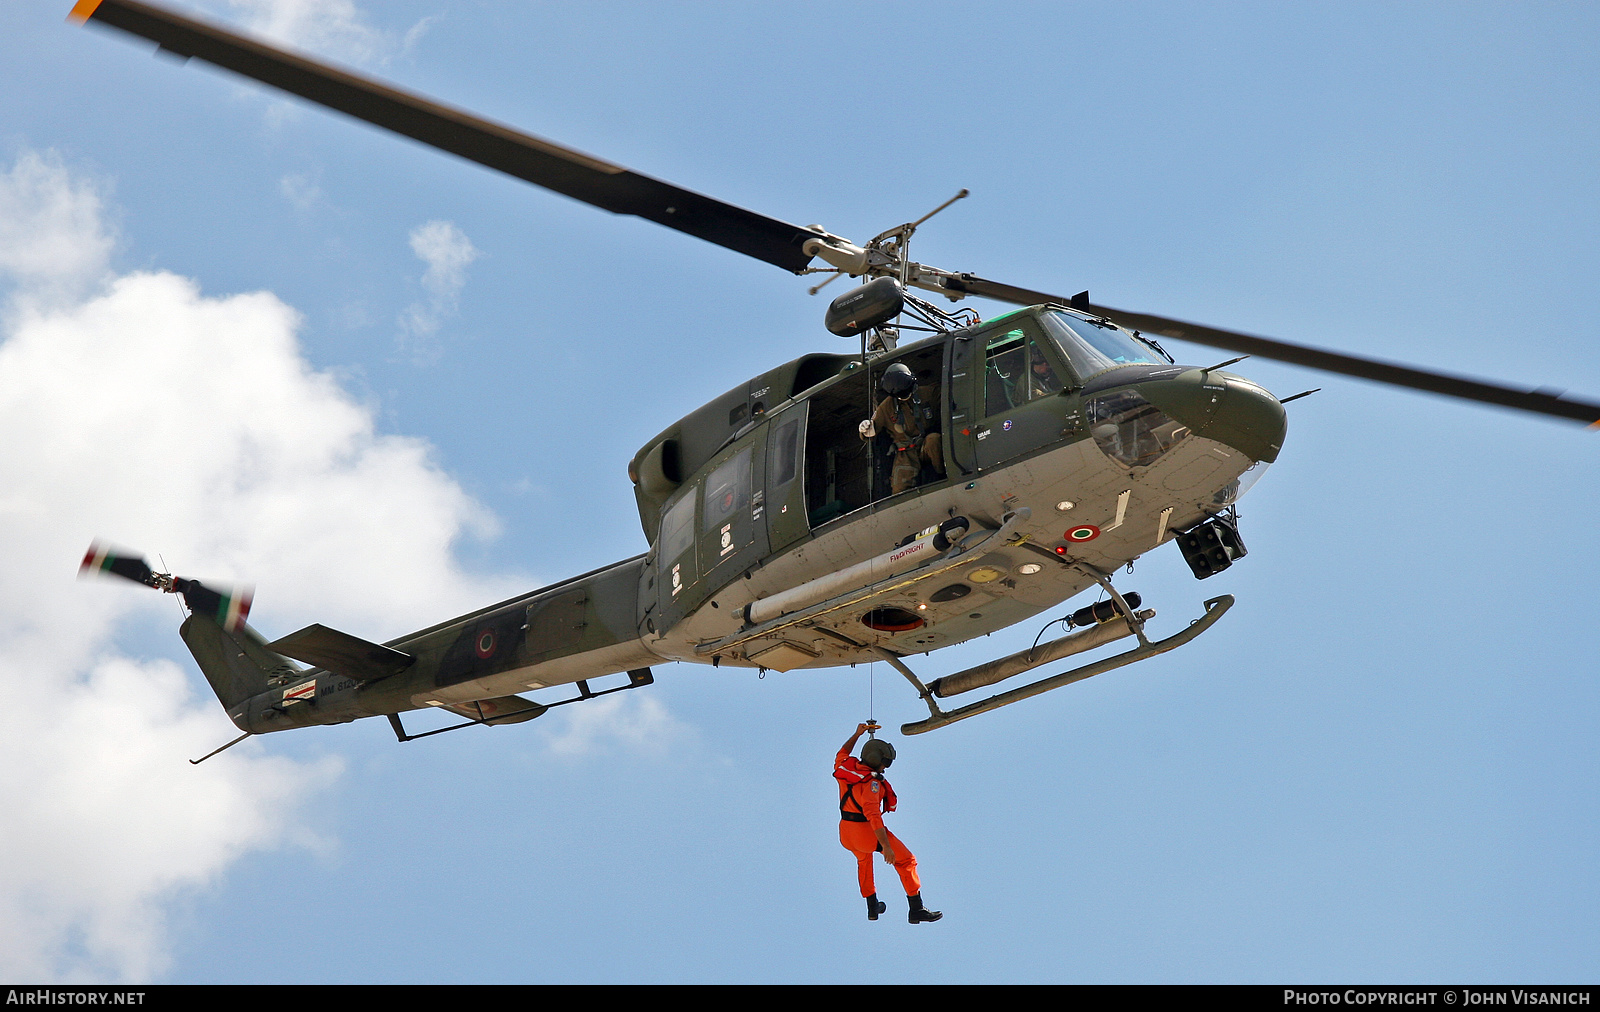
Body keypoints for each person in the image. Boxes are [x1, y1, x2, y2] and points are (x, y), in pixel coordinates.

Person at [835, 722, 942, 923]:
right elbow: (873, 815)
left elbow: (842, 752)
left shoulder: (846, 768)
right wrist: (886, 847)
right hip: (865, 833)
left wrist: (857, 733)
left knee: (864, 862)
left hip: (846, 834)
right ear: (877, 760)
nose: (886, 767)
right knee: (906, 860)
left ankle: (872, 907)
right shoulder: (872, 784)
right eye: (886, 762)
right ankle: (916, 908)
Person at [858, 363, 945, 496]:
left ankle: (942, 476)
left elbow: (949, 395)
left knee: (934, 440)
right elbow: (872, 430)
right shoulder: (886, 407)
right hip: (906, 453)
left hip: (926, 445)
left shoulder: (927, 393)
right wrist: (865, 429)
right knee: (898, 492)